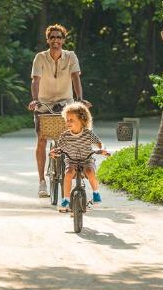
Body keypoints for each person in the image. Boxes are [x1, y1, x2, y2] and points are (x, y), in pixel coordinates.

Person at [27, 23, 85, 197]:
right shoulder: (40, 58)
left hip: (65, 102)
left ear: (63, 40)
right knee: (42, 140)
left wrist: (80, 99)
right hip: (44, 103)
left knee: (70, 138)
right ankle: (42, 182)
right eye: (52, 37)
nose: (55, 40)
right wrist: (35, 100)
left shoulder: (71, 57)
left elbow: (75, 77)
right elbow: (35, 80)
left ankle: (71, 173)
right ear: (48, 40)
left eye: (59, 37)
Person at [51, 102, 107, 212]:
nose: (68, 122)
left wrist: (103, 149)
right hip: (71, 161)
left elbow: (99, 144)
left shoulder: (88, 134)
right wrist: (55, 152)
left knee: (90, 172)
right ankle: (66, 199)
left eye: (71, 120)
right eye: (67, 120)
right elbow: (60, 148)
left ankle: (96, 193)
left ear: (82, 120)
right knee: (67, 174)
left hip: (87, 160)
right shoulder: (65, 136)